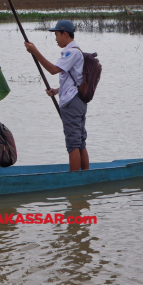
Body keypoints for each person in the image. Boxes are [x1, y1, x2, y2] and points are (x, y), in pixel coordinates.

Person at [24, 19, 89, 172]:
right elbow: (74, 81)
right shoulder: (76, 51)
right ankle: (86, 175)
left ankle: (74, 180)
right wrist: (56, 91)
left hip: (72, 103)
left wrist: (35, 52)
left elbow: (54, 70)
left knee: (73, 143)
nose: (55, 39)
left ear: (65, 34)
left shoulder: (70, 51)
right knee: (80, 142)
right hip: (78, 101)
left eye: (57, 35)